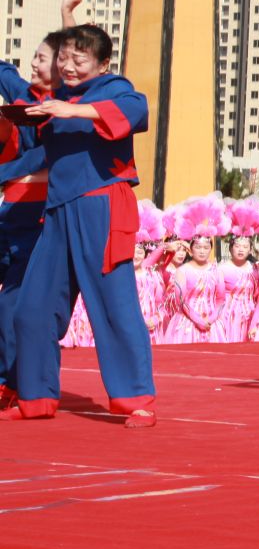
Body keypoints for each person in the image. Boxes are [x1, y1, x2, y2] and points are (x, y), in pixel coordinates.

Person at [7, 25, 157, 425]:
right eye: (63, 58)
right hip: (58, 211)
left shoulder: (113, 87)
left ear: (103, 64)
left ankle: (136, 400)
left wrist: (69, 110)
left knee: (113, 305)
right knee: (33, 308)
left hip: (102, 206)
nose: (68, 66)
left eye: (79, 59)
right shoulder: (58, 97)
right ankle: (36, 398)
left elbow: (137, 111)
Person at [0, 0, 84, 396]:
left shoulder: (68, 112)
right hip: (9, 215)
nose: (33, 63)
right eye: (33, 56)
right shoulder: (24, 95)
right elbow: (3, 72)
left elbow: (47, 157)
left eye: (42, 58)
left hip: (40, 224)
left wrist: (7, 171)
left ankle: (13, 383)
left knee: (15, 308)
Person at [161, 237, 221, 344]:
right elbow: (180, 301)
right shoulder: (182, 271)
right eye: (198, 247)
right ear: (191, 249)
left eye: (206, 248)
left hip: (212, 323)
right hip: (187, 322)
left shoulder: (216, 270)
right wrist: (197, 320)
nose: (202, 251)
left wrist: (211, 319)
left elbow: (221, 299)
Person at [211, 234, 259, 343]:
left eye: (245, 247)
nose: (241, 250)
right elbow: (216, 295)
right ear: (230, 248)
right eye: (237, 246)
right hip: (227, 314)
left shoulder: (254, 269)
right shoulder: (222, 268)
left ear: (250, 250)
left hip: (249, 314)